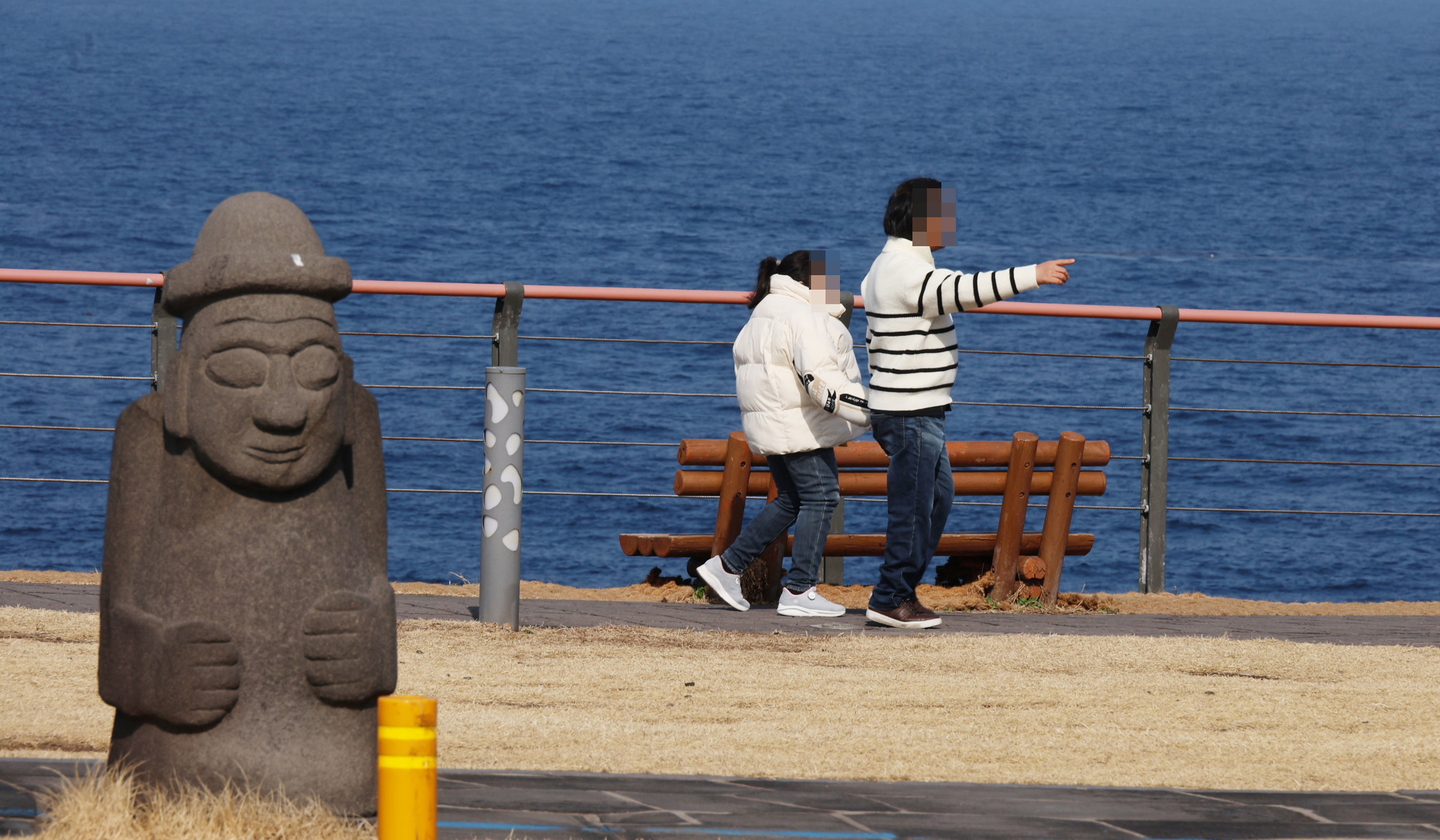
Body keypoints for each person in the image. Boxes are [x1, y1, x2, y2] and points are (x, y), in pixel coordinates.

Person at [860, 178, 1074, 628]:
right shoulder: (903, 269)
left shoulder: (893, 265)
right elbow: (961, 290)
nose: (951, 221)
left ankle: (900, 591)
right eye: (943, 213)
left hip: (915, 410)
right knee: (914, 508)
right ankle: (889, 597)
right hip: (909, 412)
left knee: (935, 499)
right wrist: (1031, 275)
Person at [697, 250, 870, 618]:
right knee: (823, 496)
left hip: (772, 424)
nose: (839, 291)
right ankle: (800, 588)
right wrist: (870, 412)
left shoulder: (764, 313)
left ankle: (726, 567)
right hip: (799, 426)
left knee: (793, 499)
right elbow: (821, 379)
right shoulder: (804, 317)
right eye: (832, 282)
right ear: (811, 283)